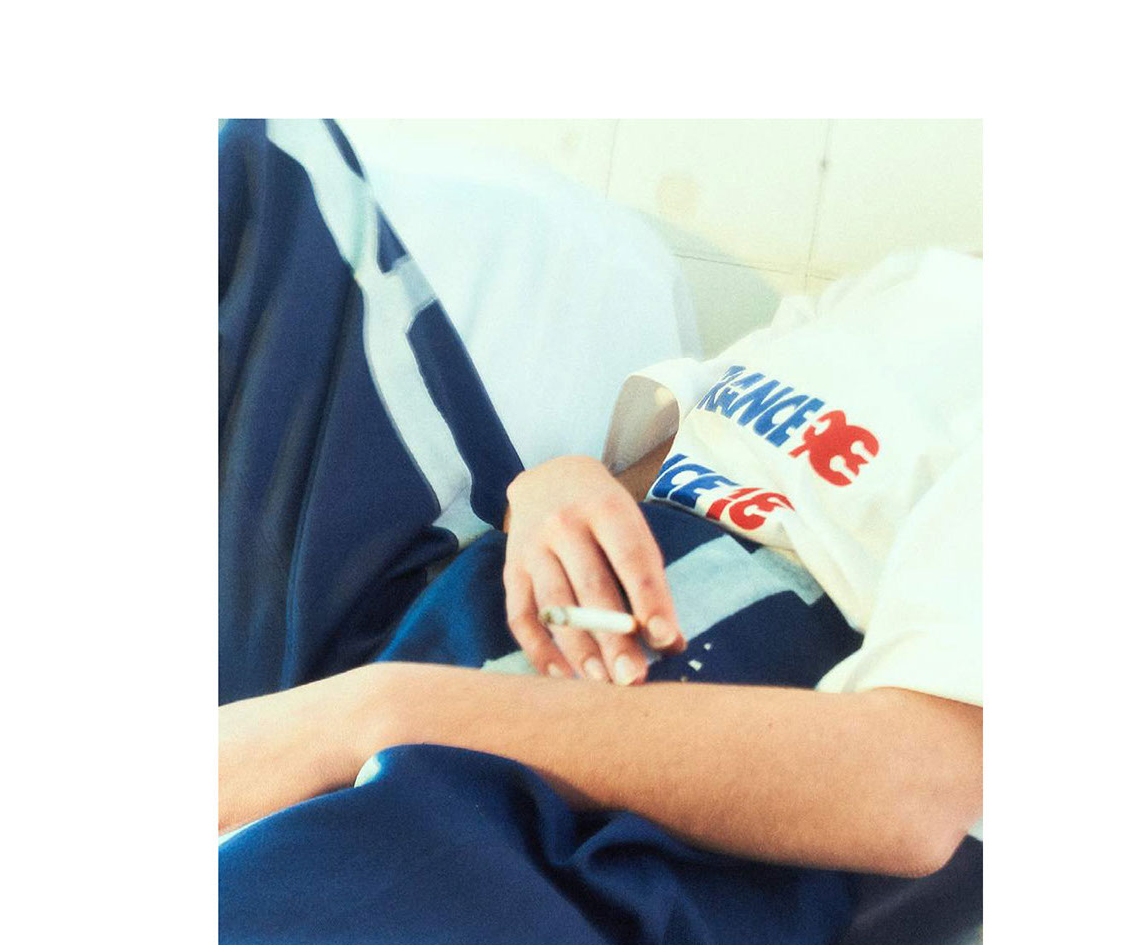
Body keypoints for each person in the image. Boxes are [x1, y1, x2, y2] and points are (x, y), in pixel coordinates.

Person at [220, 249, 982, 878]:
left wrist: (375, 716)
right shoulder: (907, 282)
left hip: (661, 737)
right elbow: (672, 467)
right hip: (506, 616)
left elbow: (914, 788)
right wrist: (550, 487)